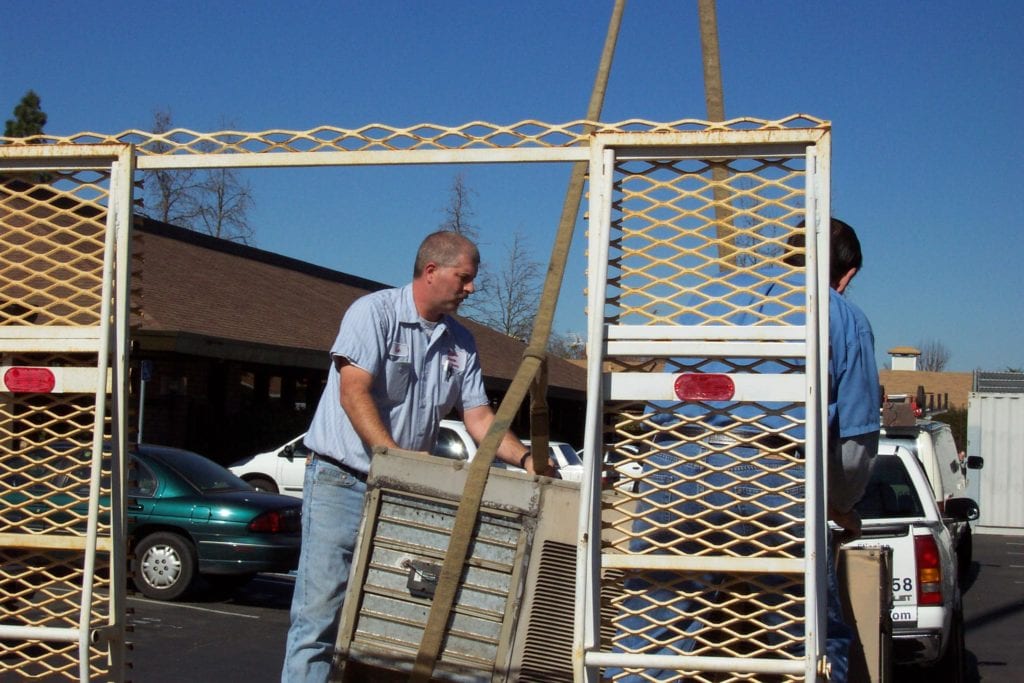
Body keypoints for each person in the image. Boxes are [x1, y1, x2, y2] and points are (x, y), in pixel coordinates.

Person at [609, 217, 876, 683]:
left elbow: (670, 388)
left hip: (678, 466)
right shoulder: (842, 316)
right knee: (814, 635)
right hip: (771, 475)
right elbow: (854, 442)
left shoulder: (714, 298)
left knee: (651, 629)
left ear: (787, 253)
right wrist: (840, 503)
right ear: (847, 274)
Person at [281, 230, 545, 683]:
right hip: (342, 483)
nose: (471, 288)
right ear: (431, 271)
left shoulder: (461, 343)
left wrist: (525, 459)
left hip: (402, 495)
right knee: (318, 619)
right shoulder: (373, 314)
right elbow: (353, 392)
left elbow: (480, 419)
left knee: (389, 621)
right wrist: (395, 459)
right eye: (464, 277)